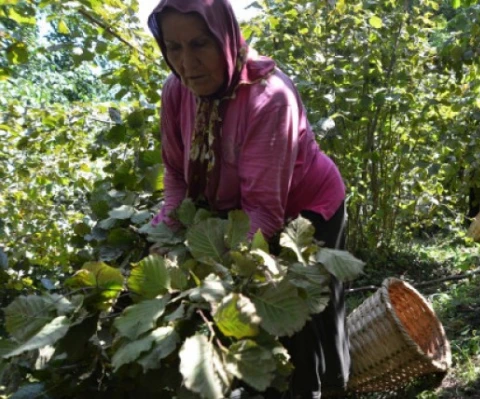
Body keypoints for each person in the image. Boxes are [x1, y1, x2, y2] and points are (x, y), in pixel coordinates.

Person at [147, 1, 349, 397]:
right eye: (174, 48)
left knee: (305, 315)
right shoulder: (176, 91)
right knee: (253, 323)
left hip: (306, 208)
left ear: (224, 36)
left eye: (200, 43)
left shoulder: (268, 97)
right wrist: (163, 243)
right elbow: (174, 173)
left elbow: (265, 212)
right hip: (242, 212)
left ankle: (333, 386)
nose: (187, 63)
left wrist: (210, 274)